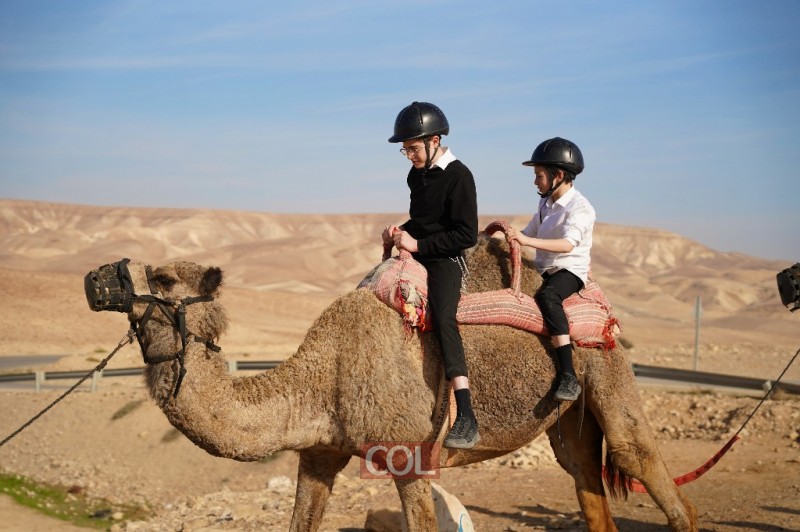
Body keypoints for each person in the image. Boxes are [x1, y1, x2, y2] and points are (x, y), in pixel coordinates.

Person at [382, 101, 480, 449]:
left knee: (443, 316)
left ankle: (466, 414)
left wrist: (419, 244)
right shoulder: (416, 175)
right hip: (420, 250)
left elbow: (466, 234)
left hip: (446, 258)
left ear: (434, 141)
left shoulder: (460, 175)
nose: (409, 155)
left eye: (412, 148)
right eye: (405, 150)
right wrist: (400, 232)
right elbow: (423, 222)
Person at [506, 137, 595, 401]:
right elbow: (528, 231)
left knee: (548, 297)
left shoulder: (581, 208)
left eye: (539, 175)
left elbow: (567, 245)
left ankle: (568, 375)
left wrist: (526, 242)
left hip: (568, 270)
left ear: (558, 175)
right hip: (543, 267)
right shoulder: (545, 203)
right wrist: (508, 237)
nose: (535, 181)